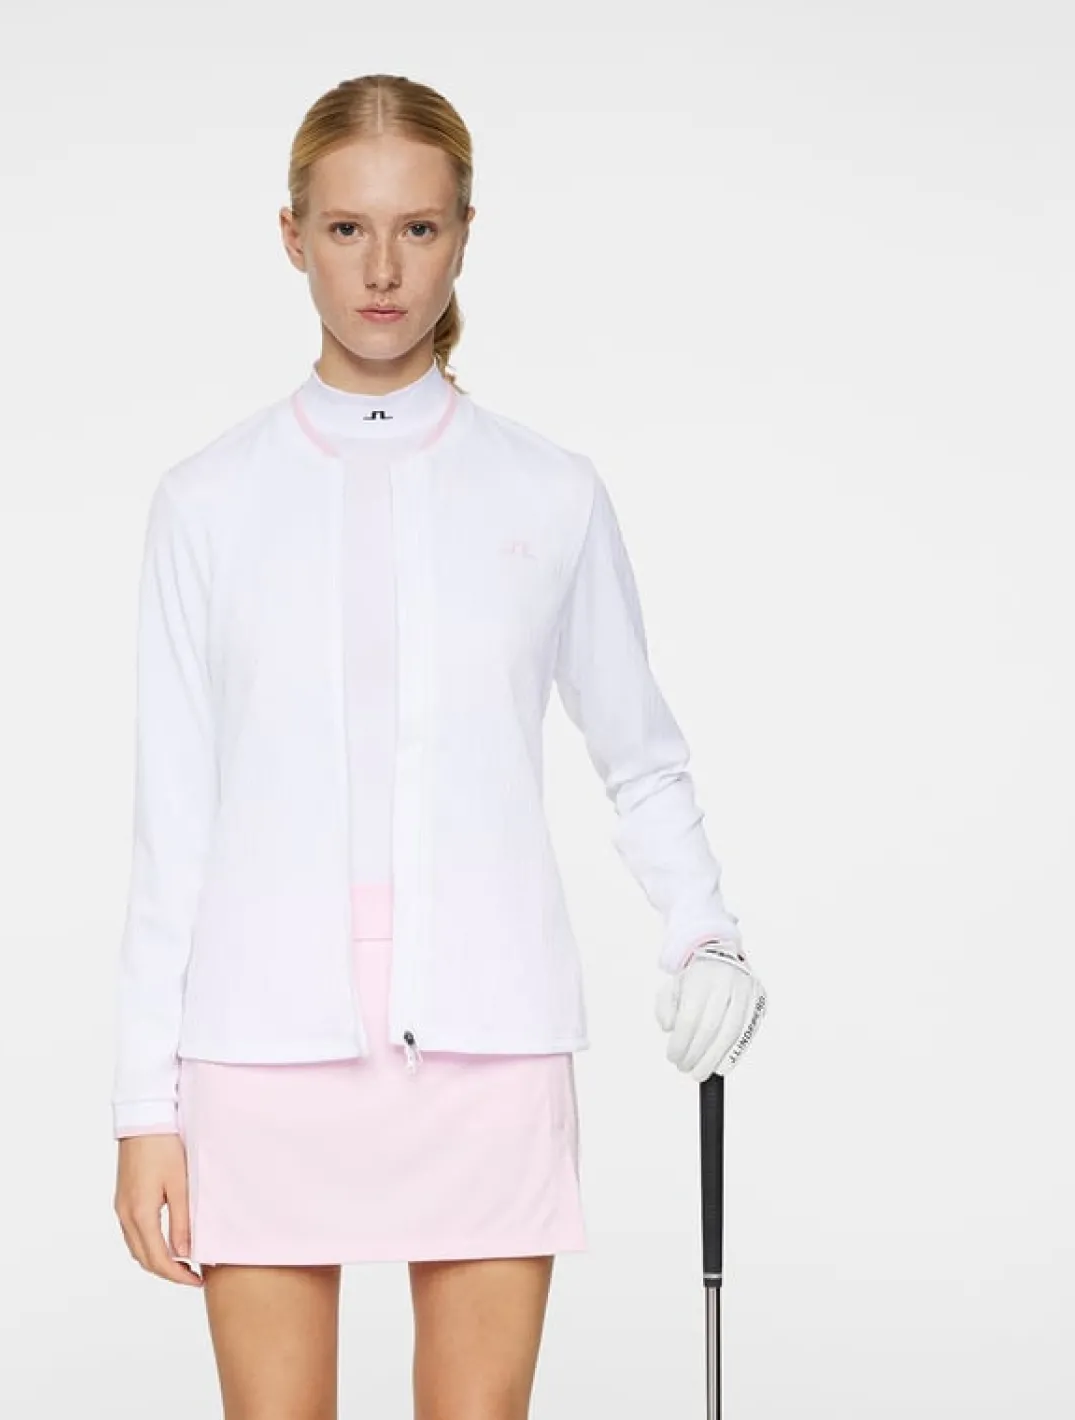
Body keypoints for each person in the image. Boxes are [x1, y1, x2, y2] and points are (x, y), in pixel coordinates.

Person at [111, 72, 767, 1419]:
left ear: (465, 232)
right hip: (257, 1047)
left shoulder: (550, 492)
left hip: (491, 1035)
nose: (382, 270)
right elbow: (171, 822)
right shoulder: (205, 503)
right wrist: (142, 1106)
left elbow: (639, 753)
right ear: (292, 237)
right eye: (346, 229)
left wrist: (704, 932)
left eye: (417, 228)